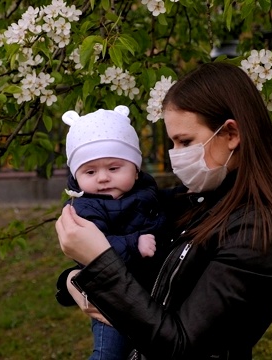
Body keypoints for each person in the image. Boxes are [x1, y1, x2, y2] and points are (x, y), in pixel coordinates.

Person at [55, 62, 272, 359]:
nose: (176, 156)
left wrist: (101, 263)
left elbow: (181, 346)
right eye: (173, 143)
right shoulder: (199, 201)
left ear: (231, 134)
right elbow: (142, 269)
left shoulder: (256, 234)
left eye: (186, 142)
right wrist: (72, 280)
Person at [56, 105, 168, 360]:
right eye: (90, 171)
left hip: (149, 294)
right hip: (111, 298)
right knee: (109, 354)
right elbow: (90, 247)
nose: (103, 178)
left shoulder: (145, 191)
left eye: (114, 168)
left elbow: (166, 204)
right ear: (76, 176)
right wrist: (132, 243)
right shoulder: (85, 206)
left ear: (136, 169)